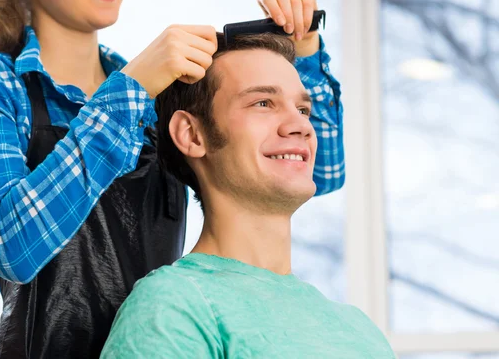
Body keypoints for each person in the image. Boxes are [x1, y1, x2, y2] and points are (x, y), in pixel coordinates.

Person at [0, 0, 344, 355]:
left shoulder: (150, 98)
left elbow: (319, 172)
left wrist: (304, 49)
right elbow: (10, 243)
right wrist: (133, 87)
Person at [100, 32, 392, 358]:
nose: (301, 126)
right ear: (192, 135)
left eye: (303, 109)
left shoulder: (358, 329)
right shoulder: (173, 306)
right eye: (263, 103)